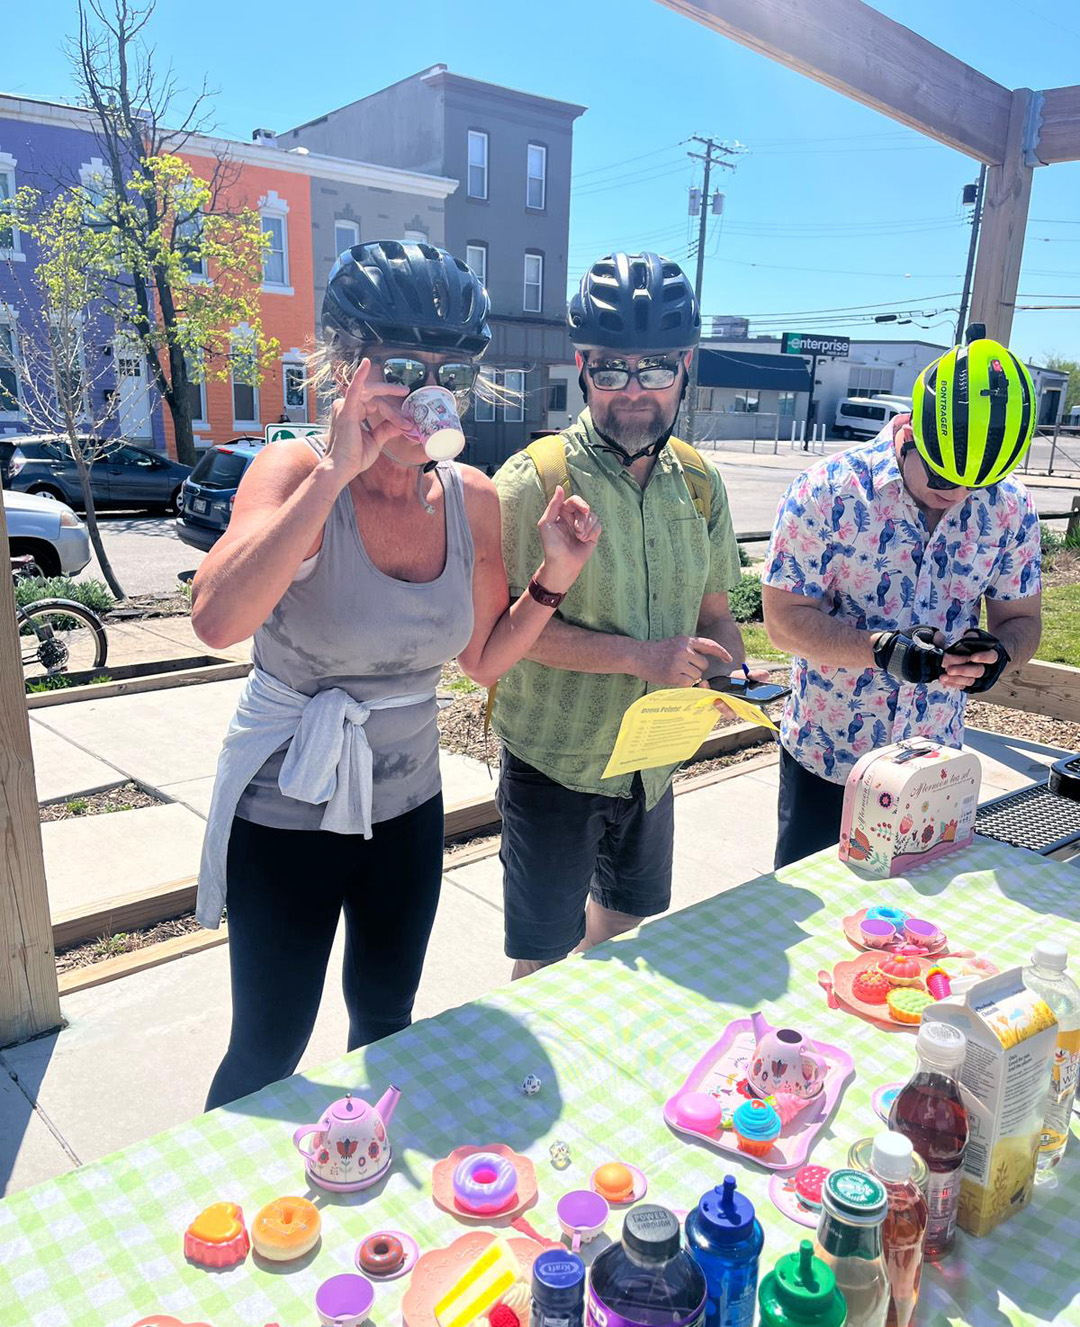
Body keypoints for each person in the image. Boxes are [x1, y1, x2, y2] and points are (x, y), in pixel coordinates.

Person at [191, 241, 600, 1108]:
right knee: (268, 1048)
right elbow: (217, 621)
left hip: (408, 809)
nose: (426, 393)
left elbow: (483, 657)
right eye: (403, 368)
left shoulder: (471, 496)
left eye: (449, 372)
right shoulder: (295, 470)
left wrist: (556, 572)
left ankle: (365, 1186)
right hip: (287, 811)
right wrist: (339, 468)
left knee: (387, 1021)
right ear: (347, 368)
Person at [491, 251, 759, 978]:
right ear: (581, 366)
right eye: (612, 369)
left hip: (653, 765)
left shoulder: (700, 483)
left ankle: (596, 1015)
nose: (633, 390)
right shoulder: (531, 482)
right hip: (556, 765)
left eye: (655, 368)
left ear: (686, 366)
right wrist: (640, 658)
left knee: (627, 919)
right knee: (541, 960)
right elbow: (501, 642)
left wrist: (735, 671)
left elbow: (715, 617)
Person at [762, 332, 1043, 868]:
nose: (956, 494)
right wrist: (881, 650)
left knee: (915, 937)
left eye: (977, 484)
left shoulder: (1010, 508)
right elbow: (782, 622)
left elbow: (1023, 620)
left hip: (934, 765)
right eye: (941, 474)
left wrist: (998, 654)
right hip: (831, 759)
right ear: (911, 428)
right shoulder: (827, 490)